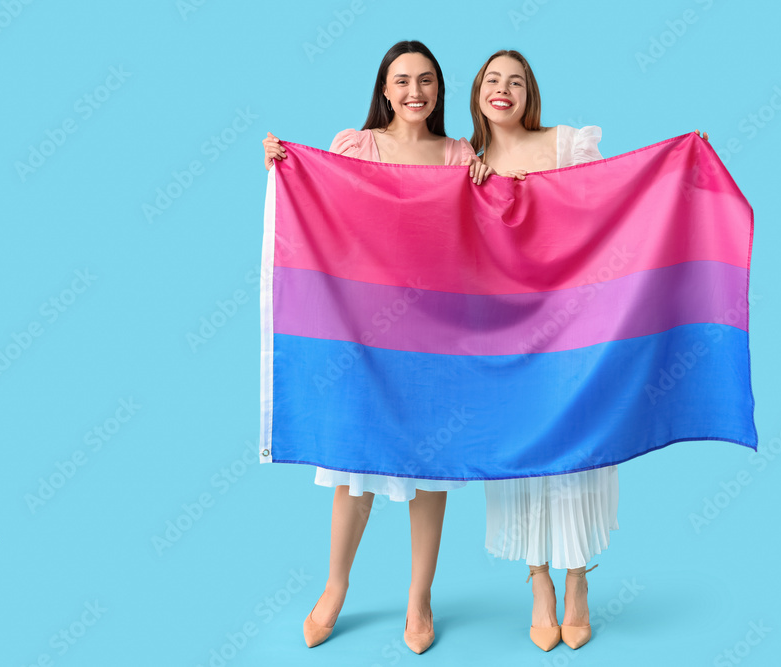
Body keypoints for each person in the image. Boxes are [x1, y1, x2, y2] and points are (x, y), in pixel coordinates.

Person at [469, 49, 708, 652]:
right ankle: (539, 586)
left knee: (579, 452)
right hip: (508, 336)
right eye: (492, 80)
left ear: (530, 93)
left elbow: (616, 201)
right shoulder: (465, 162)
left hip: (577, 330)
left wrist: (680, 159)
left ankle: (577, 581)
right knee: (521, 459)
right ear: (476, 92)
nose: (503, 89)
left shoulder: (568, 144)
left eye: (515, 81)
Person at [262, 40, 491, 655]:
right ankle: (334, 589)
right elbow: (329, 220)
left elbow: (483, 231)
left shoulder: (459, 154)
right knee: (353, 465)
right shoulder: (351, 147)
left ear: (440, 92)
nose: (414, 91)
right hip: (363, 334)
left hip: (439, 332)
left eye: (425, 81)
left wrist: (486, 184)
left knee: (431, 469)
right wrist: (284, 166)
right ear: (384, 90)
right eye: (401, 81)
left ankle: (420, 599)